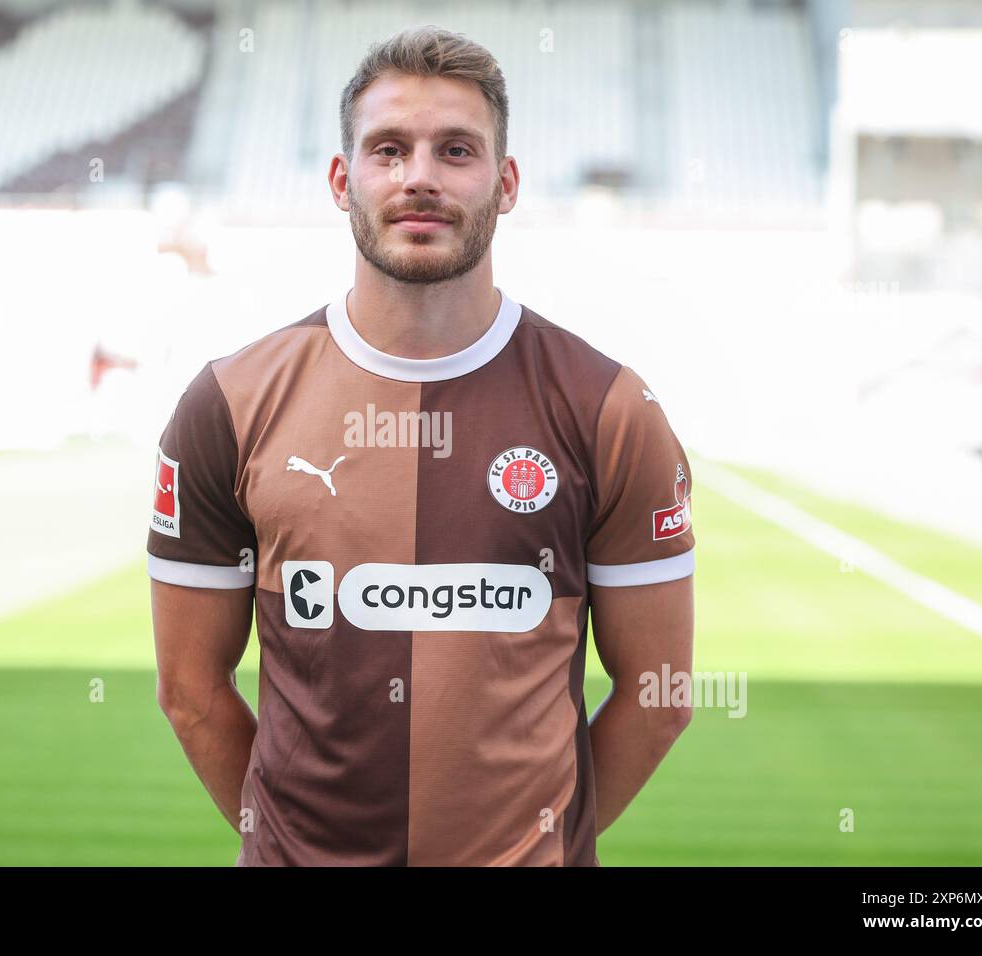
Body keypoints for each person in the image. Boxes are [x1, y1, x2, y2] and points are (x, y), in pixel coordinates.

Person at [147, 25, 695, 866]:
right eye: (389, 149)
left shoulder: (609, 409)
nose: (420, 178)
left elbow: (660, 696)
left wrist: (539, 846)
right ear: (343, 180)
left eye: (457, 151)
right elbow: (190, 692)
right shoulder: (227, 404)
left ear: (506, 184)